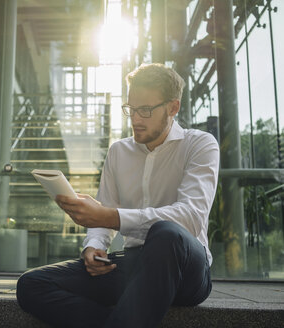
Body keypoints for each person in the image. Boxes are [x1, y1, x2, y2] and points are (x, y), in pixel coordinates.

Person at [16, 63, 220, 328]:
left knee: (166, 232)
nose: (135, 119)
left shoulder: (200, 144)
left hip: (186, 269)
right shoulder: (118, 152)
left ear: (173, 108)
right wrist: (94, 245)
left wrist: (110, 217)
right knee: (32, 285)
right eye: (131, 109)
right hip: (133, 264)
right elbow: (105, 214)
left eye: (145, 110)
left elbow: (190, 217)